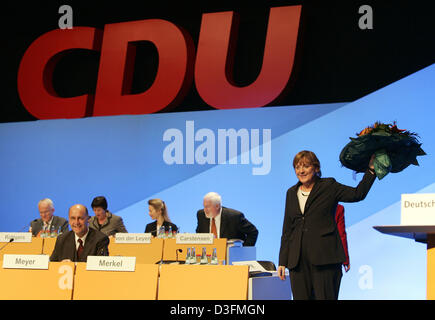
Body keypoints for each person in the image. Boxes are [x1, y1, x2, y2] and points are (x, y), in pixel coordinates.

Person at [278, 150, 375, 300]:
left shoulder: (329, 186)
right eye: (297, 167)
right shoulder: (291, 193)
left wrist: (371, 171)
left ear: (316, 168)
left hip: (325, 260)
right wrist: (283, 261)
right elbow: (287, 229)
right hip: (298, 263)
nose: (301, 171)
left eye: (306, 166)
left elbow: (358, 194)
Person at [335, 204, 350, 272]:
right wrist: (345, 259)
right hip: (331, 259)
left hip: (306, 257)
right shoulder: (338, 208)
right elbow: (341, 235)